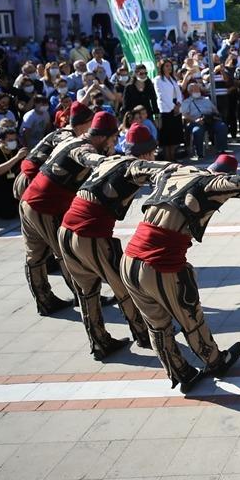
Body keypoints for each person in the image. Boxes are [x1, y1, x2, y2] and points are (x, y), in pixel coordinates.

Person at [121, 154, 240, 392]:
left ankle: (181, 372)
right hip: (160, 263)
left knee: (156, 324)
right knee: (191, 317)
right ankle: (215, 362)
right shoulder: (210, 183)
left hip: (129, 259)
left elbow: (137, 168)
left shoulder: (174, 172)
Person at [59, 125, 170, 360]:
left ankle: (99, 342)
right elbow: (164, 170)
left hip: (66, 230)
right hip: (89, 234)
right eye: (153, 151)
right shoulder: (135, 165)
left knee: (87, 291)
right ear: (146, 153)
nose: (154, 155)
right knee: (124, 286)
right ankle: (143, 335)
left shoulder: (112, 160)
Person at [19, 112, 118, 315]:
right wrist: (111, 162)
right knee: (67, 255)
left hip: (29, 201)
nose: (113, 144)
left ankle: (44, 301)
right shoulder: (86, 148)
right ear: (102, 137)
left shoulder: (73, 139)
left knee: (35, 256)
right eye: (113, 139)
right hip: (46, 208)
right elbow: (90, 159)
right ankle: (87, 301)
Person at [180, 81, 229, 159]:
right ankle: (199, 153)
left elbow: (215, 110)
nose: (197, 91)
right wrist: (195, 120)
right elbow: (184, 115)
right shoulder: (187, 102)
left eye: (198, 89)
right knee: (197, 131)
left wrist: (215, 115)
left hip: (210, 120)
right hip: (196, 121)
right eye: (194, 89)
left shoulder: (206, 99)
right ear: (190, 91)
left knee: (222, 126)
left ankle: (221, 149)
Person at [153, 59, 184, 161]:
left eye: (170, 66)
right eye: (166, 66)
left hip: (176, 107)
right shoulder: (158, 80)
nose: (169, 68)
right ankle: (168, 158)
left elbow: (178, 92)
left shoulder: (173, 78)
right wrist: (173, 106)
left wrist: (178, 104)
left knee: (174, 135)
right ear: (161, 67)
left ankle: (173, 157)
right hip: (166, 109)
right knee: (167, 137)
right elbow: (161, 96)